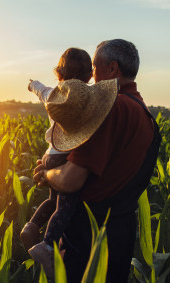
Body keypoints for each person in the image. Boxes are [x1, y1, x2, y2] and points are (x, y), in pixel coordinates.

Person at [33, 39, 161, 282]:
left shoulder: (110, 108)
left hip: (89, 235)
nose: (90, 75)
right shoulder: (143, 112)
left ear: (112, 69)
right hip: (120, 233)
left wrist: (46, 175)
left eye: (94, 66)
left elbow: (71, 180)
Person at [20, 48, 118, 279]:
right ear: (88, 76)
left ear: (60, 73)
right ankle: (46, 245)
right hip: (65, 156)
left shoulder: (53, 94)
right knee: (65, 207)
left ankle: (31, 227)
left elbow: (40, 90)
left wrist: (32, 83)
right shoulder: (86, 98)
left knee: (51, 201)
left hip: (49, 154)